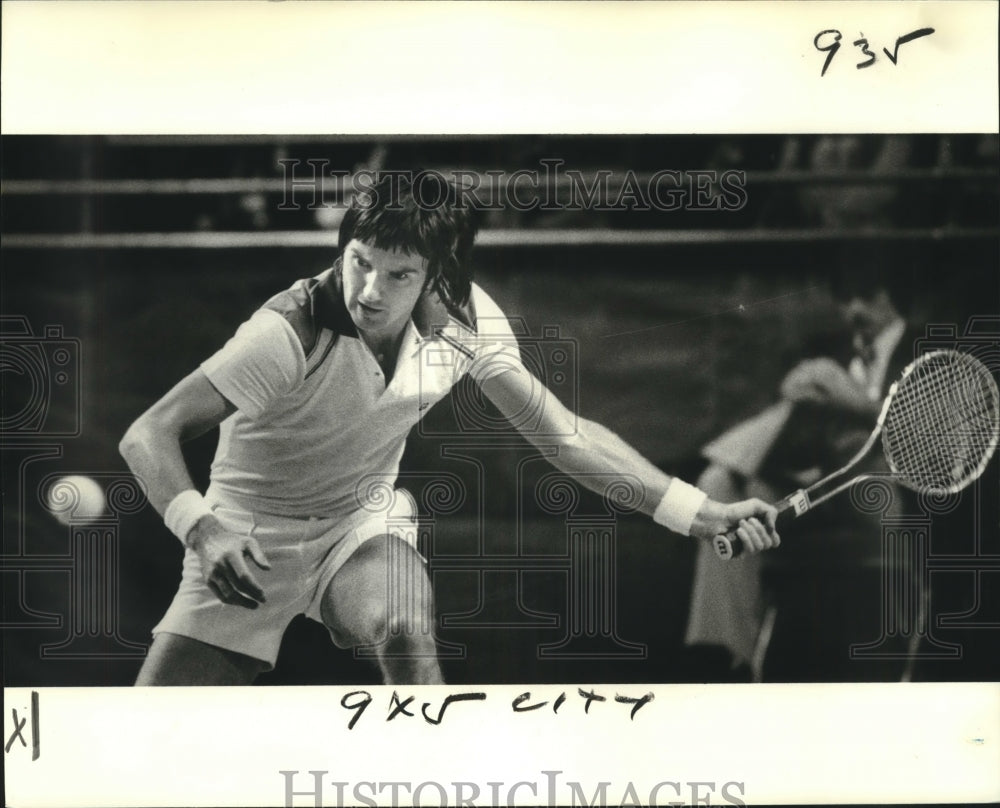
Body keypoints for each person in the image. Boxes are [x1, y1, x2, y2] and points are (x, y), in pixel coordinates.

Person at [120, 173, 780, 686]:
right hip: (246, 539)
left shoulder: (466, 324)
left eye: (398, 273)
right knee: (146, 749)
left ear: (438, 275)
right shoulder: (286, 332)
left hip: (358, 528)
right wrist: (204, 531)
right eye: (359, 261)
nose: (370, 290)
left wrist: (701, 512)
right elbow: (149, 433)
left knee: (405, 627)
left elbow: (564, 436)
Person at [684, 258, 918, 681]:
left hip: (882, 488)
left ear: (891, 298)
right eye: (846, 299)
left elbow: (928, 437)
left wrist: (853, 400)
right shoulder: (831, 348)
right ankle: (724, 656)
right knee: (718, 486)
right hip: (817, 477)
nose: (854, 310)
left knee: (817, 389)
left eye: (866, 296)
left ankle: (728, 456)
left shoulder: (925, 350)